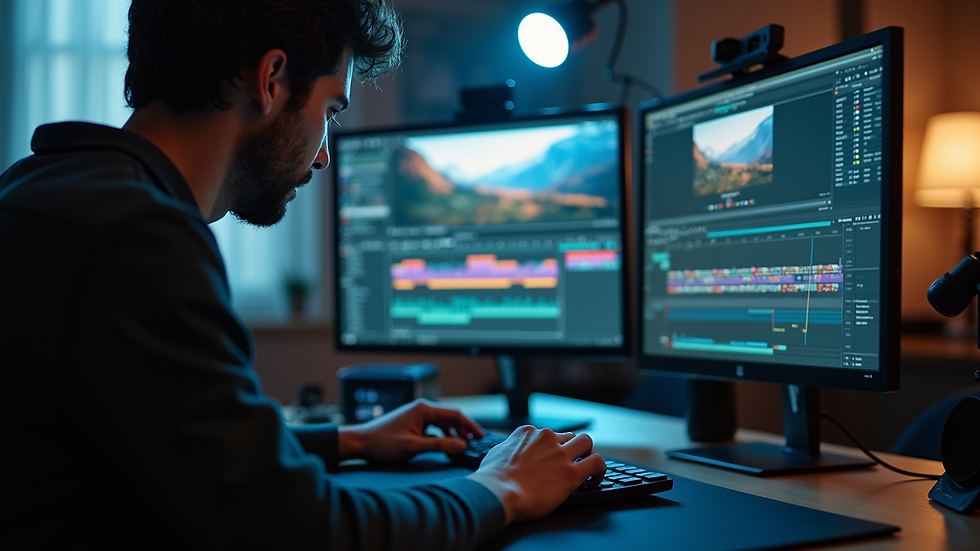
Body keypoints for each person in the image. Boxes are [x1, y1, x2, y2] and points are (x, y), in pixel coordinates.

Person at [0, 1, 606, 549]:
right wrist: (502, 486)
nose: (322, 153)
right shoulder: (137, 236)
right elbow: (301, 533)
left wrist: (350, 440)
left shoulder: (46, 190)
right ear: (269, 81)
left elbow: (173, 452)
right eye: (329, 109)